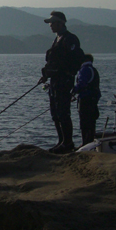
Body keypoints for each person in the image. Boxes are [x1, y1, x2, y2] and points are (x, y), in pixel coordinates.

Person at [38, 11, 84, 154]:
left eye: (52, 23)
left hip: (64, 81)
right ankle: (61, 141)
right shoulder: (57, 39)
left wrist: (66, 73)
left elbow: (75, 60)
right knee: (55, 113)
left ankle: (68, 143)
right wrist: (46, 74)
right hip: (54, 81)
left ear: (61, 23)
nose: (50, 25)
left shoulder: (70, 39)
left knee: (64, 113)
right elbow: (53, 61)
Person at [72, 53, 101, 146]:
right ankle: (90, 142)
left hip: (85, 99)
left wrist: (73, 91)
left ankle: (85, 143)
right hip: (93, 99)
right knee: (91, 122)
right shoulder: (94, 70)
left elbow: (81, 84)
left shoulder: (84, 70)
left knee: (84, 122)